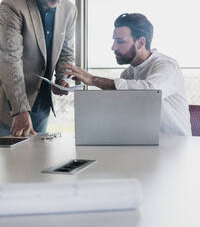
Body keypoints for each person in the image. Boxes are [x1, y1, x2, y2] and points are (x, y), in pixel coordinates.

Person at [0, 0, 76, 137]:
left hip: (41, 102)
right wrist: (20, 110)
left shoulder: (69, 10)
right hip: (11, 105)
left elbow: (66, 51)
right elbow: (10, 59)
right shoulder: (12, 6)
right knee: (11, 164)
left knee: (37, 162)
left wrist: (62, 78)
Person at [63, 13, 191, 136]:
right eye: (114, 41)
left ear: (140, 43)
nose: (113, 47)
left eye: (120, 41)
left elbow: (151, 93)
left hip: (175, 146)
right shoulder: (128, 74)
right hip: (144, 144)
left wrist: (94, 80)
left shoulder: (167, 66)